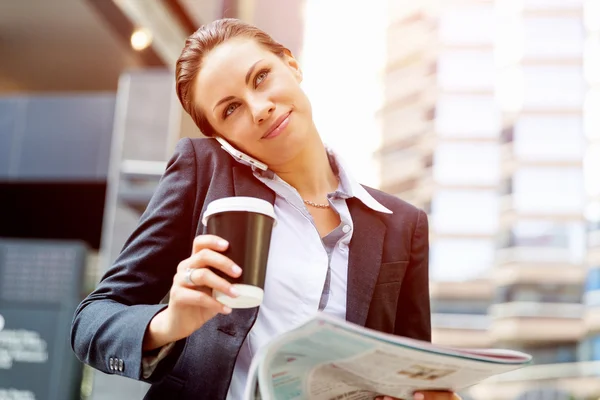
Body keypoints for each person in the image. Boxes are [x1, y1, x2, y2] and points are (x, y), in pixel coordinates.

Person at [70, 18, 461, 400]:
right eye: (230, 109)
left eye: (260, 77)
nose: (259, 108)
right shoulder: (203, 171)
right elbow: (91, 321)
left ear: (291, 64)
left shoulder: (402, 225)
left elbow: (410, 369)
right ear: (220, 136)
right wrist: (168, 322)